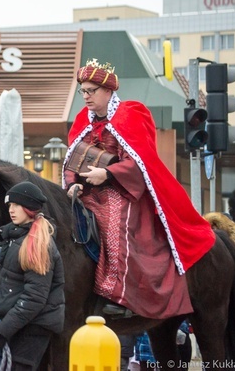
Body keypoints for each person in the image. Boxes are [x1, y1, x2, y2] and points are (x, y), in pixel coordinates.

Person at [63, 58, 215, 319]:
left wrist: (108, 173)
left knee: (112, 220)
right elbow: (72, 158)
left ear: (108, 90)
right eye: (83, 91)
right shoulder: (82, 120)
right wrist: (71, 182)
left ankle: (116, 295)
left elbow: (140, 161)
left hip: (122, 191)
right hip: (87, 190)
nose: (86, 96)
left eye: (91, 90)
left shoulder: (130, 114)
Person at [0, 181, 65, 371]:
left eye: (16, 205)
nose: (11, 210)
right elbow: (16, 278)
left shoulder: (38, 243)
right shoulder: (17, 237)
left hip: (32, 328)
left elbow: (34, 297)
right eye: (9, 206)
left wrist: (4, 330)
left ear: (29, 208)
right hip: (22, 325)